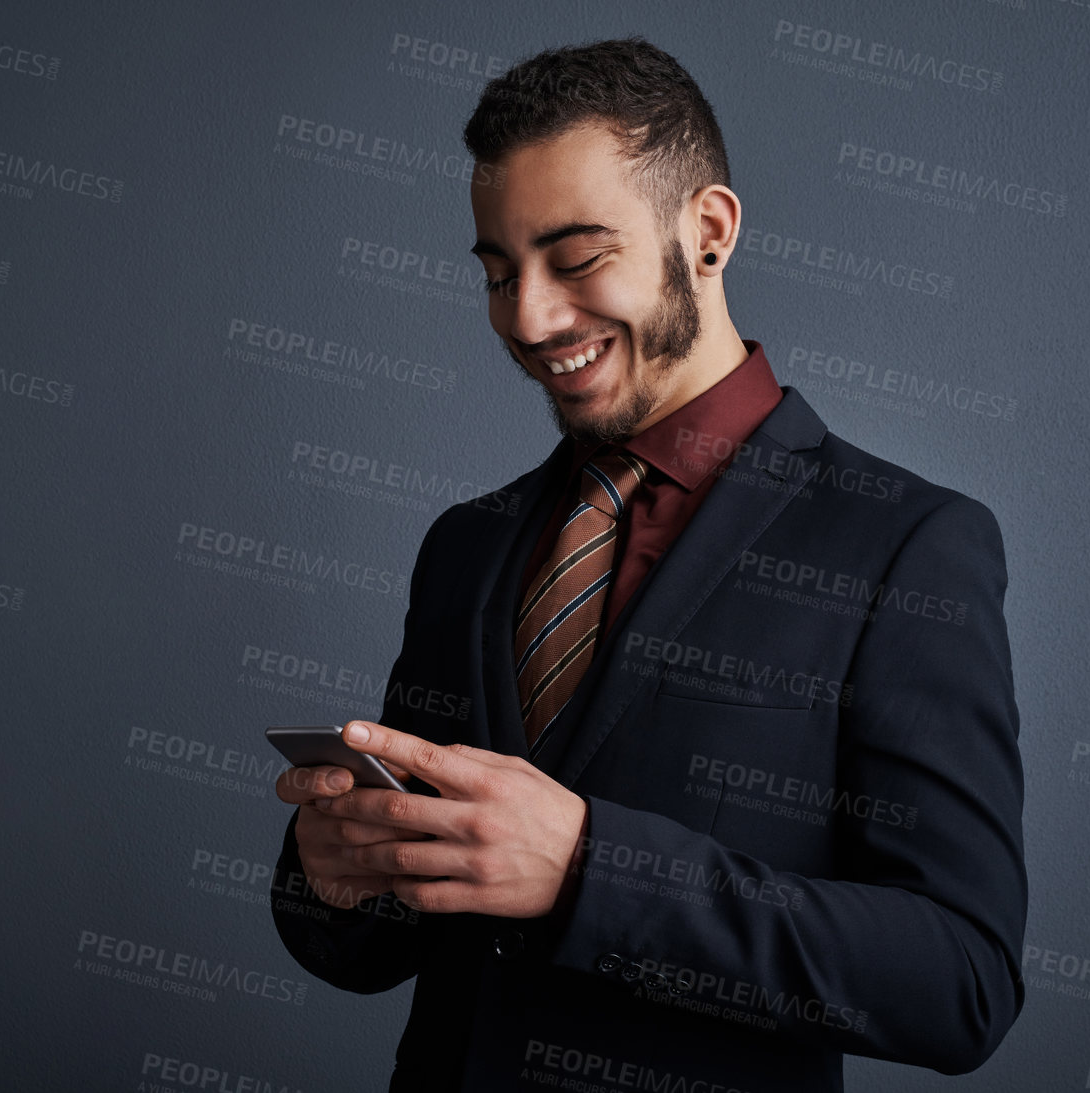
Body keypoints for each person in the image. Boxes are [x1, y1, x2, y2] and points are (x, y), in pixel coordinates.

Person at [268, 36, 1027, 1093]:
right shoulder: (469, 542)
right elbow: (388, 942)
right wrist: (335, 873)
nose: (528, 319)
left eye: (575, 260)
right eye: (499, 273)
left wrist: (589, 868)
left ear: (707, 233)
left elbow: (960, 981)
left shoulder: (906, 544)